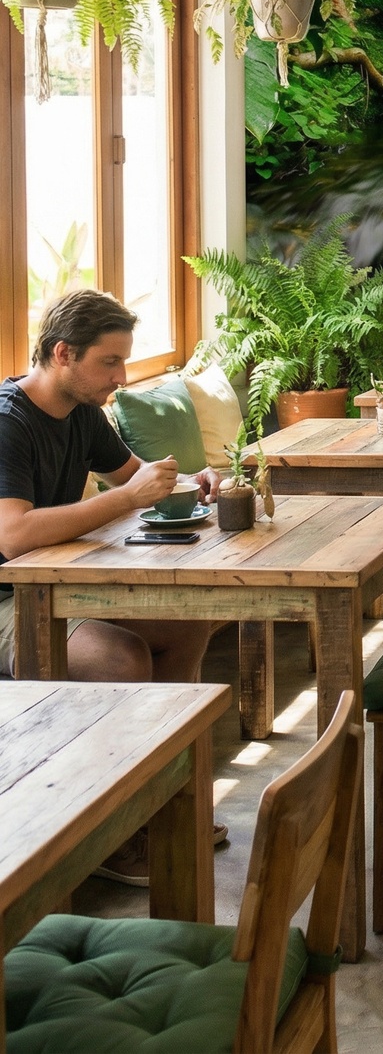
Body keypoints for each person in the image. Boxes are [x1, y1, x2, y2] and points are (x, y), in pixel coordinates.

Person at [0, 289, 225, 880]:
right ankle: (112, 835)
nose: (122, 378)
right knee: (120, 658)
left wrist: (193, 481)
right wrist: (127, 498)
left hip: (54, 586)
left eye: (126, 362)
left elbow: (133, 478)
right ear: (62, 354)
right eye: (110, 362)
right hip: (9, 600)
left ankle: (165, 806)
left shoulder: (83, 415)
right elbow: (14, 536)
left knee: (187, 621)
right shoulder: (8, 424)